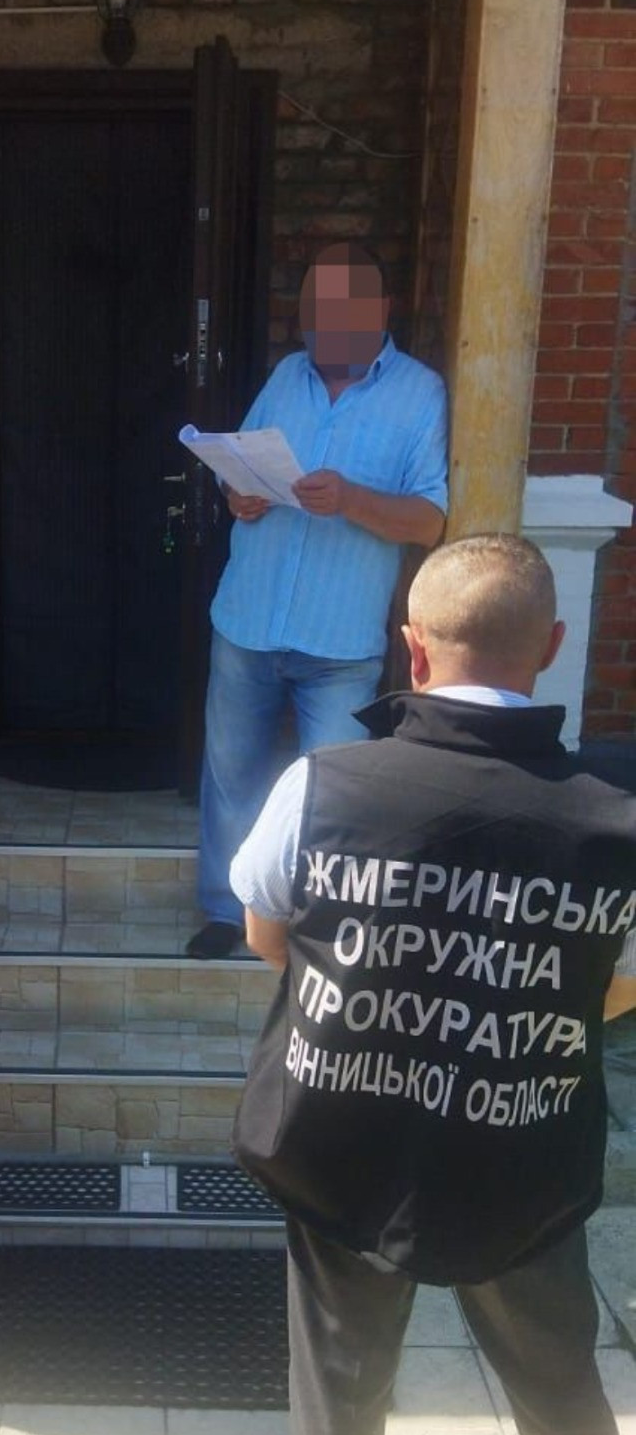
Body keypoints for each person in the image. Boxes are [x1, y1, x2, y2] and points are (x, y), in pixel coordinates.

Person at [229, 532, 636, 1435]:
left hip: (341, 1147)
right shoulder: (614, 819)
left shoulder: (323, 783)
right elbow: (615, 991)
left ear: (411, 648)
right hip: (521, 1155)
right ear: (550, 645)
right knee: (563, 1414)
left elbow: (269, 935)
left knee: (337, 1410)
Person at [188, 240, 449, 959]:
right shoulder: (285, 376)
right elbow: (241, 464)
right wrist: (237, 493)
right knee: (231, 776)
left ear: (381, 308)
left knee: (331, 793)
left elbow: (429, 520)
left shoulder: (420, 393)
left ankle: (315, 927)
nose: (327, 323)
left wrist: (351, 499)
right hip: (248, 617)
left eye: (344, 307)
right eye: (317, 308)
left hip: (339, 639)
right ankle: (225, 911)